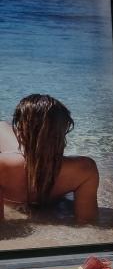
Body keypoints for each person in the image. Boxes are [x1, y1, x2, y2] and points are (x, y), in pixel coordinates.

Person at [0, 94, 99, 224]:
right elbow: (88, 222)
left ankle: (29, 139)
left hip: (16, 160)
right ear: (63, 130)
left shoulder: (3, 164)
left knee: (2, 127)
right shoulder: (84, 170)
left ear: (20, 131)